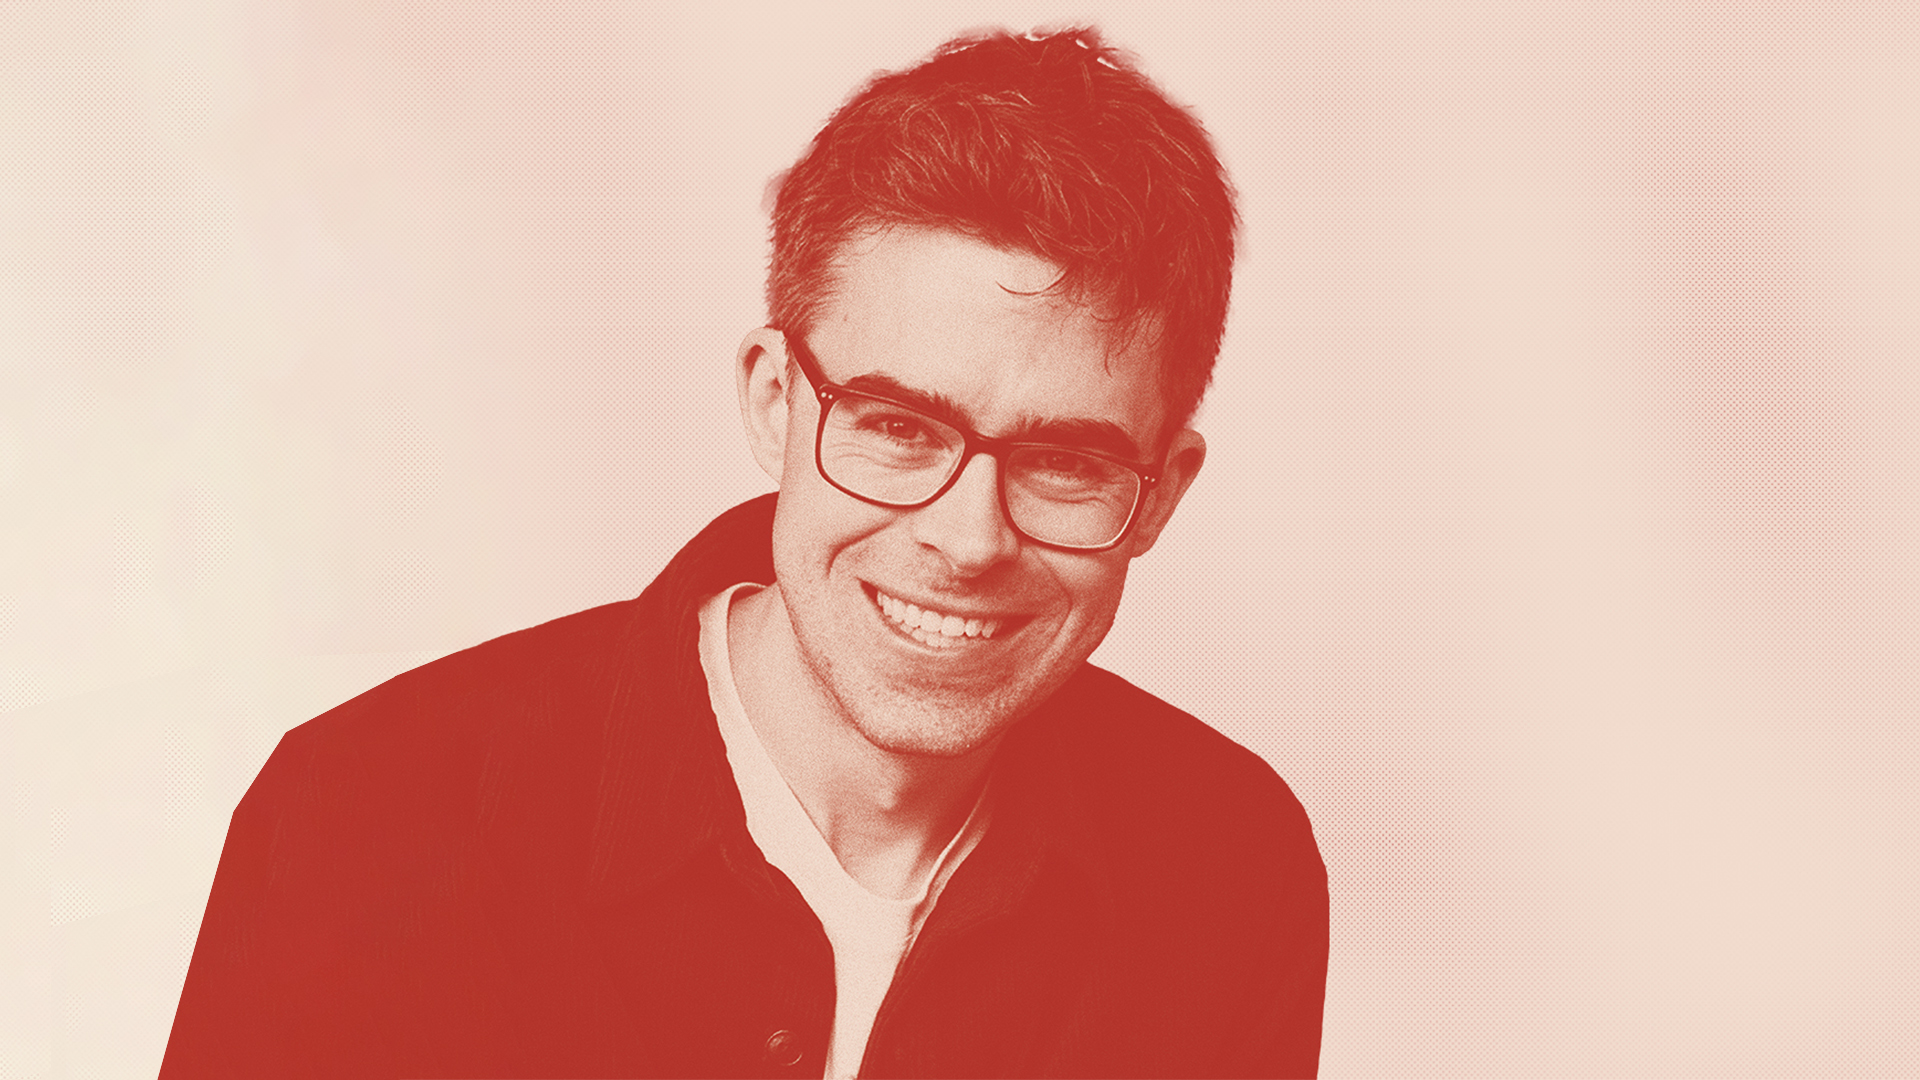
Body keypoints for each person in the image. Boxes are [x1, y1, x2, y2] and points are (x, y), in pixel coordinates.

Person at [161, 26, 1328, 1079]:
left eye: (1066, 461)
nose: (969, 539)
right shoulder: (363, 819)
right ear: (774, 402)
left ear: (1163, 494)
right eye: (898, 428)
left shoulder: (1231, 870)